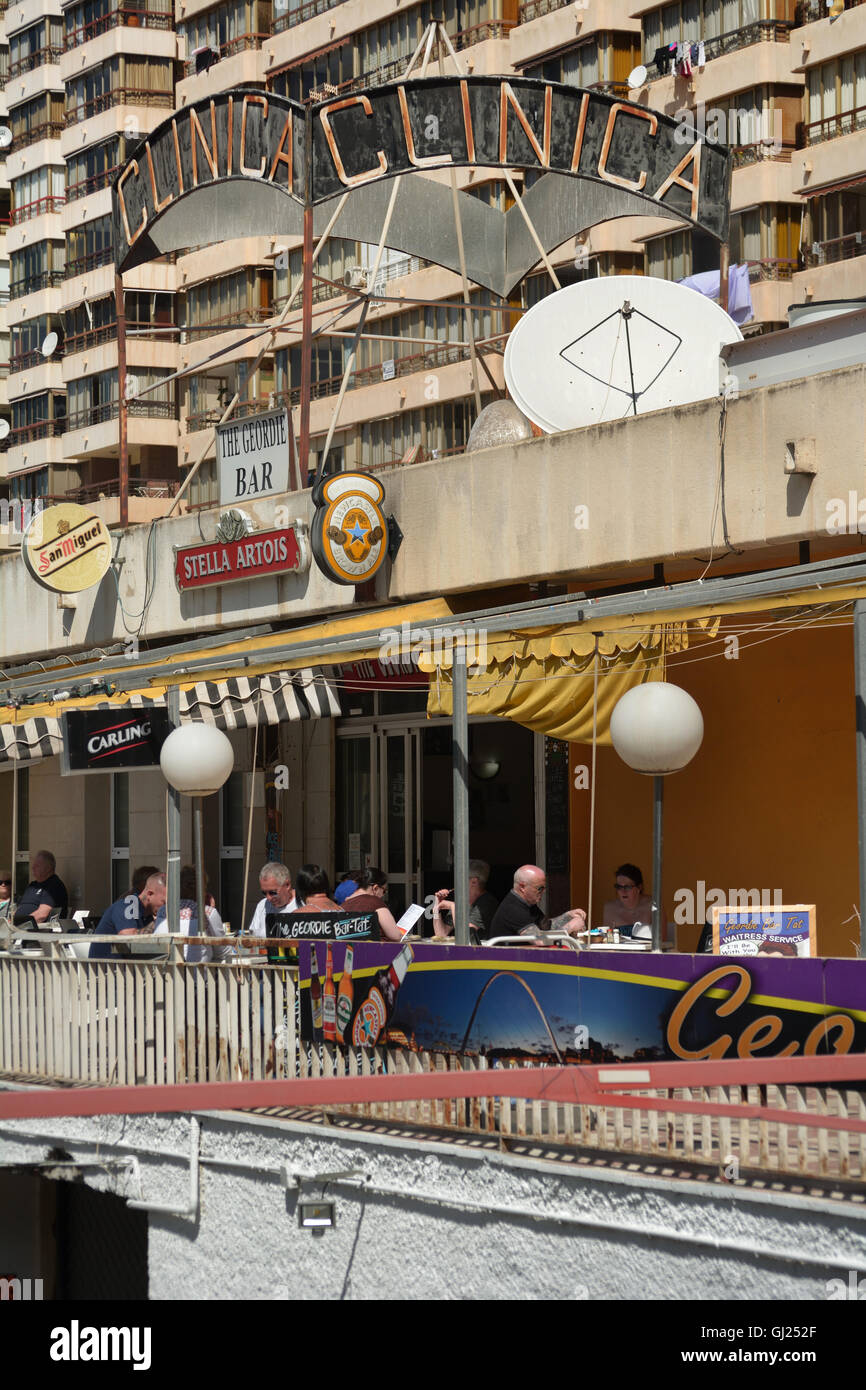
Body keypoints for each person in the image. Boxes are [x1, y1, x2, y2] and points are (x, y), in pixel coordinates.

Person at [153, 866, 231, 963]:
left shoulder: (163, 911)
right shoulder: (207, 913)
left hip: (165, 973)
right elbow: (223, 951)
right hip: (198, 975)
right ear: (202, 889)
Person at [488, 864, 586, 940]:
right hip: (509, 963)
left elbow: (547, 926)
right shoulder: (513, 909)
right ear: (522, 887)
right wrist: (570, 927)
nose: (543, 892)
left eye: (544, 888)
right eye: (540, 888)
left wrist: (568, 916)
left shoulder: (528, 903)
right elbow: (540, 940)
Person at [88, 869, 166, 960]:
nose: (166, 907)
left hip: (127, 969)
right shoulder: (127, 905)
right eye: (164, 902)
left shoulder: (148, 914)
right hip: (106, 970)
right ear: (150, 894)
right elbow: (128, 938)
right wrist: (160, 921)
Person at [431, 859, 499, 942]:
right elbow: (441, 935)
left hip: (480, 952)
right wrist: (437, 907)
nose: (456, 882)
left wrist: (453, 906)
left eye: (461, 878)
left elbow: (466, 935)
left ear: (474, 882)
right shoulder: (462, 901)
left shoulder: (487, 903)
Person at [602, 863, 667, 937]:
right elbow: (607, 940)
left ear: (639, 887)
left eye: (628, 887)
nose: (623, 891)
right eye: (619, 887)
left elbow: (661, 938)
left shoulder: (653, 906)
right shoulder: (610, 908)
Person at [341, 867, 402, 941]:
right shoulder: (375, 902)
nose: (383, 895)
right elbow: (395, 935)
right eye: (384, 891)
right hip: (373, 950)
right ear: (375, 888)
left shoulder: (344, 904)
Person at [12, 850, 68, 927]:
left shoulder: (53, 885)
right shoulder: (32, 885)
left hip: (35, 930)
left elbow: (42, 915)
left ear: (48, 868)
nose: (32, 868)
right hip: (17, 928)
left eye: (37, 866)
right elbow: (19, 908)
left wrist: (19, 924)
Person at [247, 862, 296, 938]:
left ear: (287, 885)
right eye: (264, 893)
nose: (268, 898)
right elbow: (253, 937)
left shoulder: (302, 904)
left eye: (272, 892)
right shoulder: (262, 905)